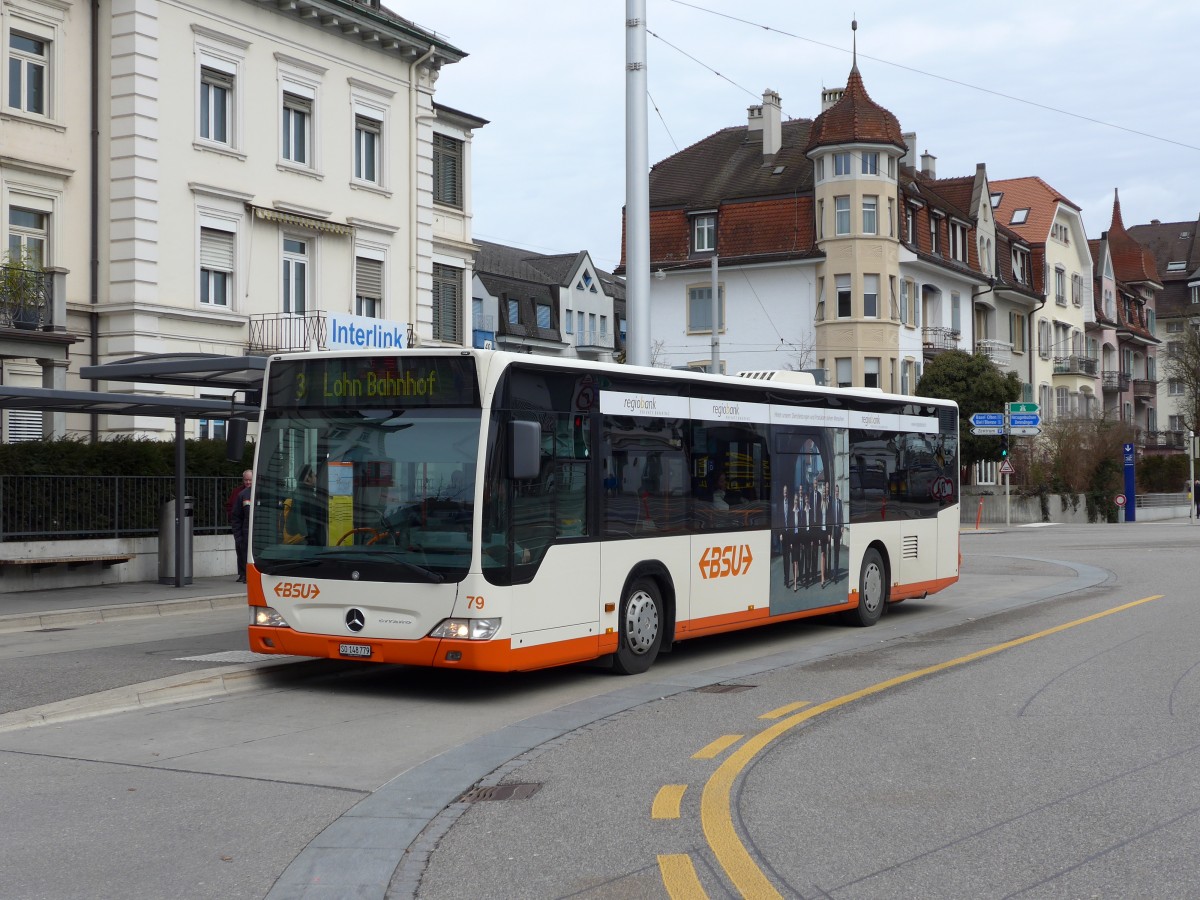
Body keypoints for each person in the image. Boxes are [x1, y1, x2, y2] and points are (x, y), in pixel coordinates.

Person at [230, 470, 253, 583]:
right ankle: (244, 575)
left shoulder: (262, 493)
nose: (248, 482)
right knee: (243, 554)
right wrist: (238, 537)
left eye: (250, 480)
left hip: (259, 533)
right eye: (246, 480)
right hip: (246, 533)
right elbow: (236, 517)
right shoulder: (242, 494)